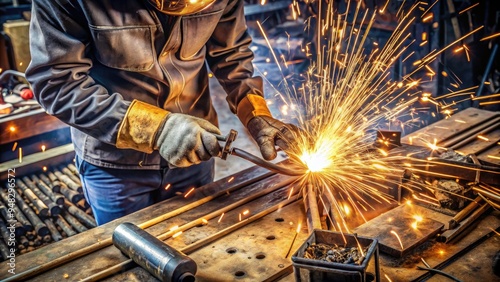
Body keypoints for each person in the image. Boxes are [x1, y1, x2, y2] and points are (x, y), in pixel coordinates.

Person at [26, 0, 295, 225]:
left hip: (195, 151)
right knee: (131, 264)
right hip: (117, 166)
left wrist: (256, 114)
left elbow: (232, 56)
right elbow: (57, 82)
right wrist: (158, 129)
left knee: (198, 248)